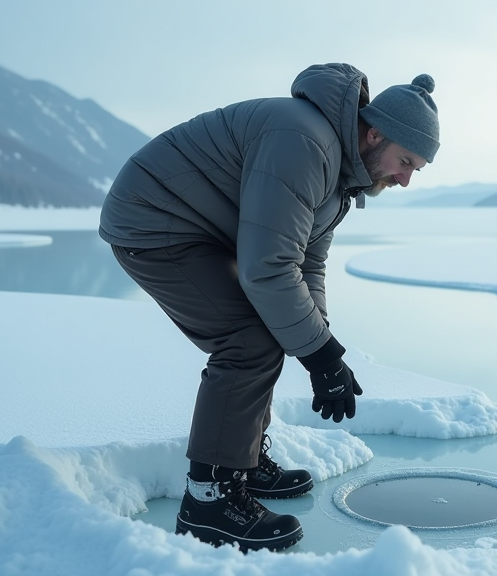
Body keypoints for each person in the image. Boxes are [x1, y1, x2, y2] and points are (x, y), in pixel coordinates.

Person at [97, 63, 440, 552]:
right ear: (375, 134)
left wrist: (319, 338)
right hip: (154, 221)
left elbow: (307, 263)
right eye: (406, 161)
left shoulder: (341, 174)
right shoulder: (305, 142)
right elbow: (269, 268)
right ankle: (209, 502)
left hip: (200, 226)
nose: (406, 180)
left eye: (416, 170)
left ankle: (244, 462)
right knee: (246, 340)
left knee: (269, 327)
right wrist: (320, 356)